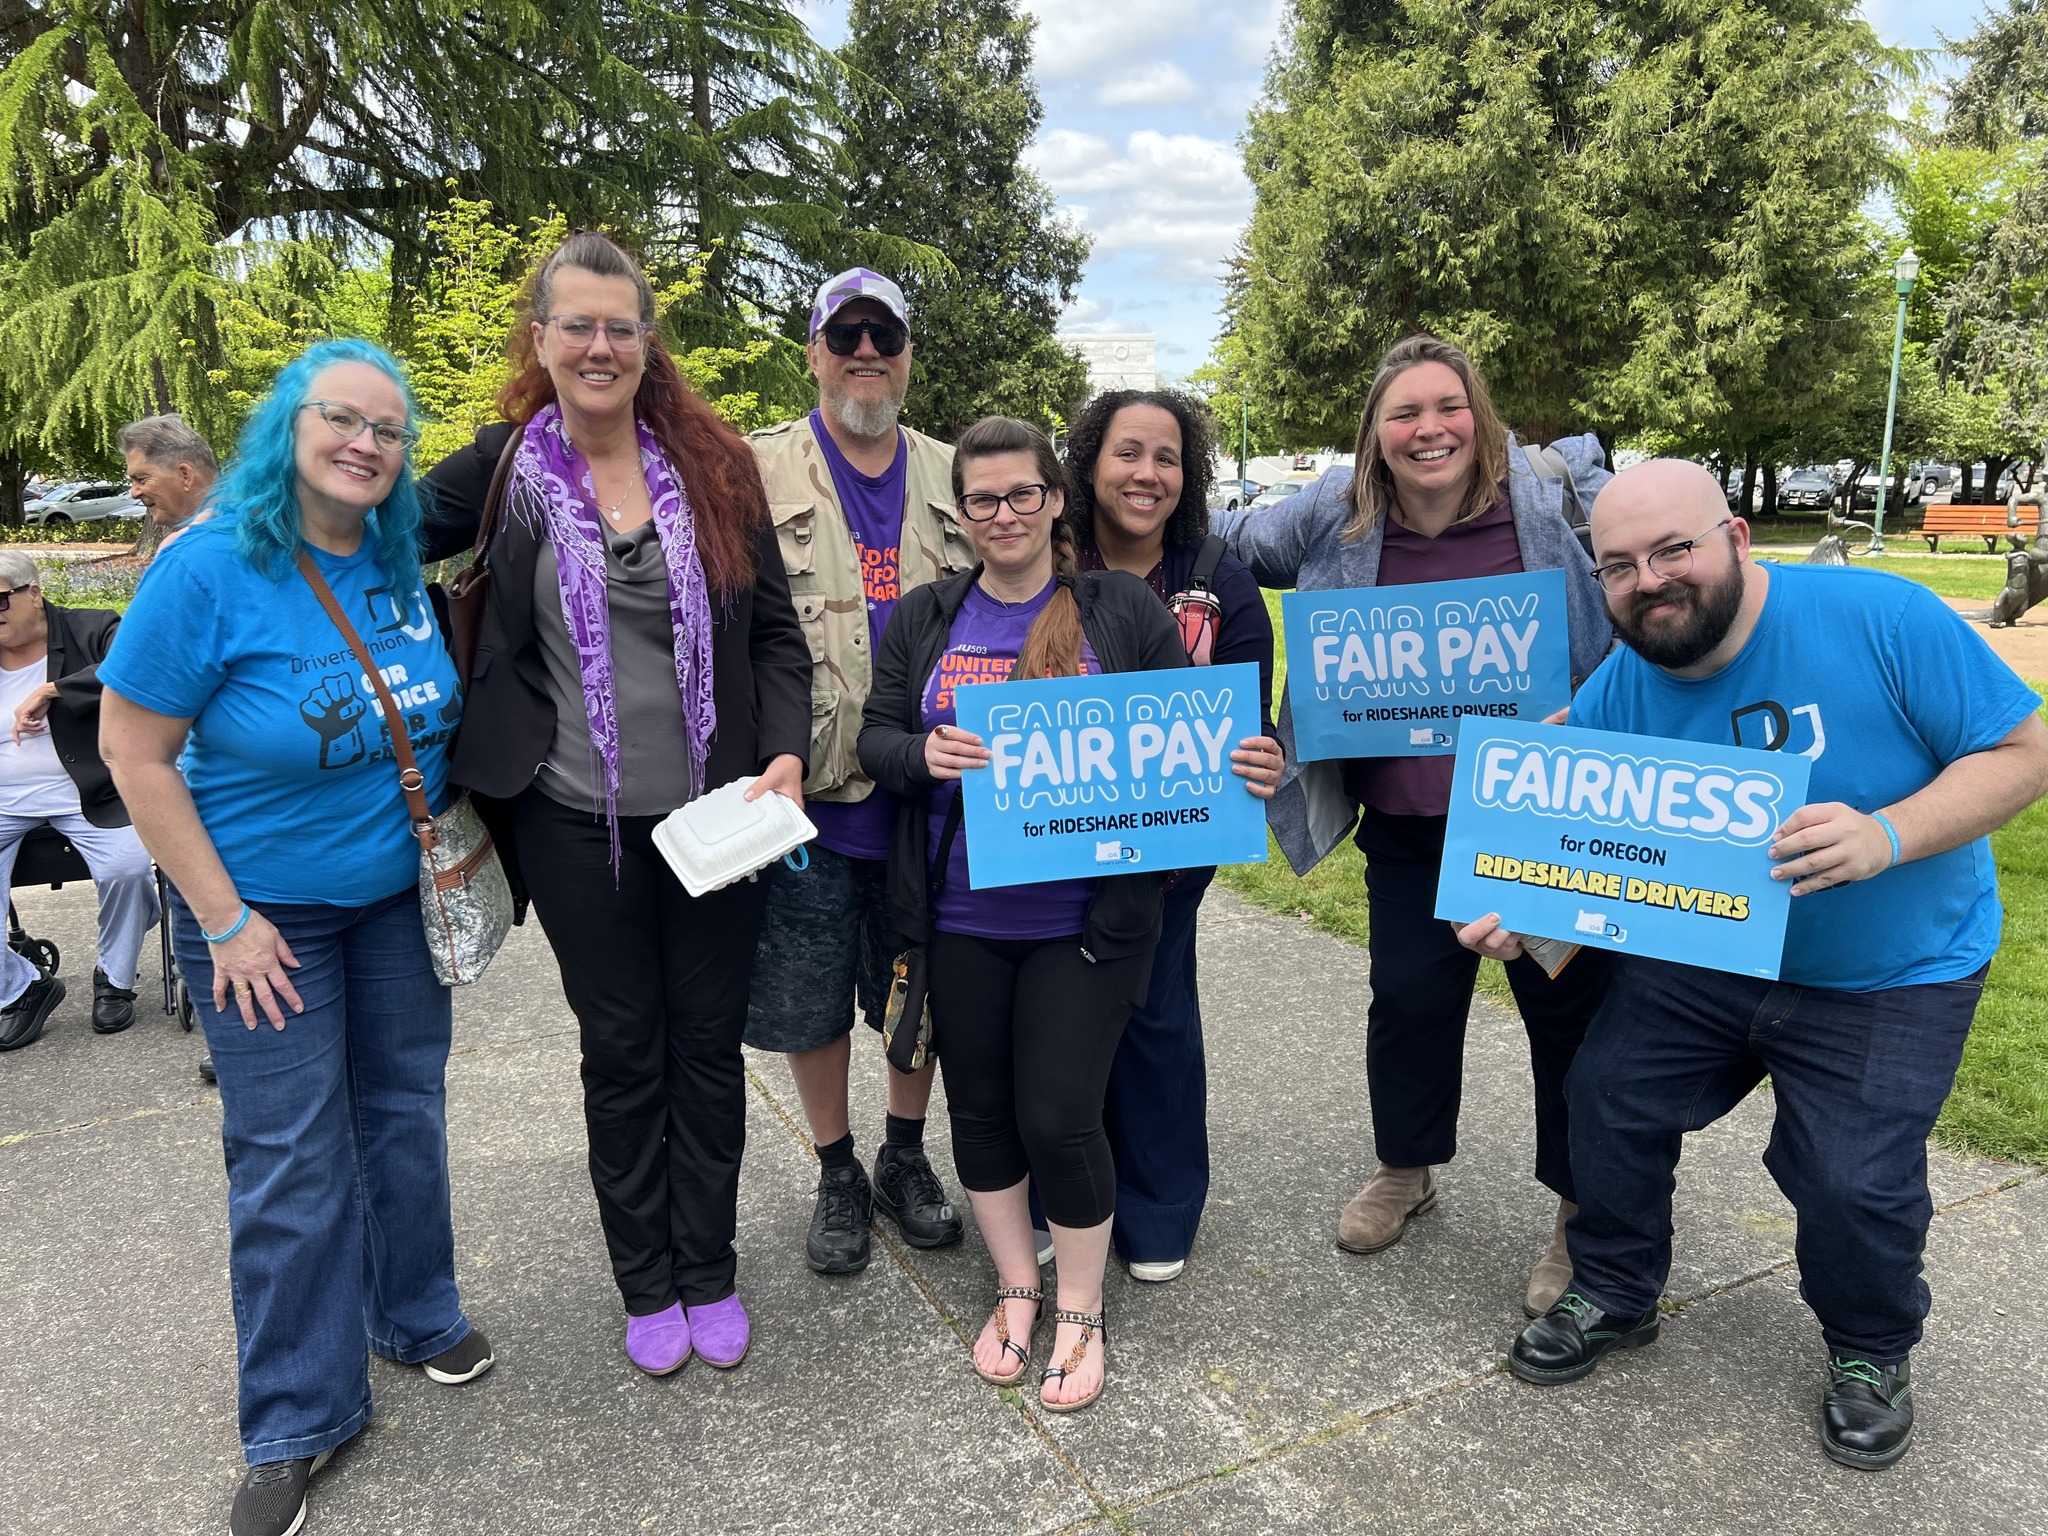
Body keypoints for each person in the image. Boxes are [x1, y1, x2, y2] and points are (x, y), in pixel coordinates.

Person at [1461, 459, 2048, 1470]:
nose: (1647, 581)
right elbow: (1578, 860)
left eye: (1671, 550)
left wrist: (1886, 834)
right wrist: (1527, 919)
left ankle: (1868, 1349)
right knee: (1602, 1099)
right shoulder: (1617, 690)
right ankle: (1614, 1287)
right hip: (1711, 958)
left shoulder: (1880, 617)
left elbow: (2022, 753)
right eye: (1617, 567)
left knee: (1848, 1179)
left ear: (1733, 538)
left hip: (1890, 967)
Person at [98, 339, 492, 1536]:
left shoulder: (387, 555)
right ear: (290, 425)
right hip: (260, 915)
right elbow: (132, 755)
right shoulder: (208, 568)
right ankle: (295, 1417)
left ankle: (413, 1311)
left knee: (404, 1111)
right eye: (342, 419)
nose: (365, 443)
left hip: (390, 902)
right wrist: (224, 922)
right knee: (286, 1155)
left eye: (387, 429)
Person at [421, 230, 810, 1379]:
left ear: (649, 344)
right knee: (623, 1049)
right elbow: (359, 534)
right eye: (576, 325)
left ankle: (710, 1270)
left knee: (705, 1048)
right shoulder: (497, 471)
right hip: (565, 818)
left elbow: (778, 637)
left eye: (620, 326)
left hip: (716, 818)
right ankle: (646, 1282)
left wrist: (783, 756)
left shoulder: (714, 469)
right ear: (539, 339)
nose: (599, 345)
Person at [860, 416, 1279, 1413]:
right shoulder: (925, 616)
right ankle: (1015, 1287)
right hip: (958, 917)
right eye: (980, 499)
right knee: (986, 1117)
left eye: (1021, 495)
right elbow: (875, 741)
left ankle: (1080, 1310)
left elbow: (1187, 736)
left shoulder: (1116, 608)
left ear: (1054, 501)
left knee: (1060, 1116)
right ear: (958, 515)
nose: (1001, 514)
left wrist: (1243, 762)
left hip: (1082, 922)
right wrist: (921, 755)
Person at [1223, 333, 1617, 1317]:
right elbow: (1229, 543)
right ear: (1375, 432)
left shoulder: (1546, 496)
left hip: (1537, 821)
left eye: (1445, 407)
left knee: (1563, 1017)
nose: (1426, 428)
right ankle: (1406, 1167)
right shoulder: (1336, 513)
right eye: (1402, 413)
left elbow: (1650, 561)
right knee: (1404, 1001)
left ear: (1475, 415)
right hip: (1402, 820)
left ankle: (1580, 1209)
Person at [743, 268, 974, 1275]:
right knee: (807, 1000)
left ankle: (900, 1155)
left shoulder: (960, 473)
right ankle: (834, 1168)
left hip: (934, 800)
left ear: (909, 354)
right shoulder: (755, 473)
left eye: (885, 333)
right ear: (814, 351)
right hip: (809, 799)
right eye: (846, 334)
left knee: (917, 991)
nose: (865, 350)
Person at [1057, 388, 1281, 1281]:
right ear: (1089, 460)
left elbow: (1241, 721)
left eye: (1167, 458)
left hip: (1170, 861)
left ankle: (1157, 1209)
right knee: (1052, 1026)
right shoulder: (1046, 553)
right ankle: (1053, 1199)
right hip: (1051, 846)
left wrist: (1257, 757)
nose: (1146, 474)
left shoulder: (1219, 576)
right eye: (1127, 452)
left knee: (1155, 1023)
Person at [0, 550, 159, 1049]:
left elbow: (143, 664)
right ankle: (22, 986)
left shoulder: (92, 629)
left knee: (129, 869)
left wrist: (55, 689)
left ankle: (116, 977)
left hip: (89, 790)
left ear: (34, 593)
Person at [120, 413, 218, 531]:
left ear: (185, 475)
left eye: (141, 479)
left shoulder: (207, 543)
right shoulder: (236, 523)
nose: (134, 493)